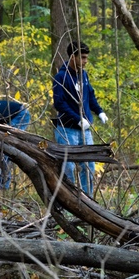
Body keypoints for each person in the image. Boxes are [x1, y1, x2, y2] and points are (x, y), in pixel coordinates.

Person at [52, 40, 108, 195]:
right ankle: (67, 201)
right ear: (72, 57)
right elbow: (59, 103)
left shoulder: (83, 74)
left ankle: (87, 201)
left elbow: (90, 96)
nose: (85, 61)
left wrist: (99, 111)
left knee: (89, 166)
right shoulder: (61, 77)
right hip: (67, 129)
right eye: (82, 57)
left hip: (85, 131)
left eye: (86, 58)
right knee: (68, 168)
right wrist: (77, 118)